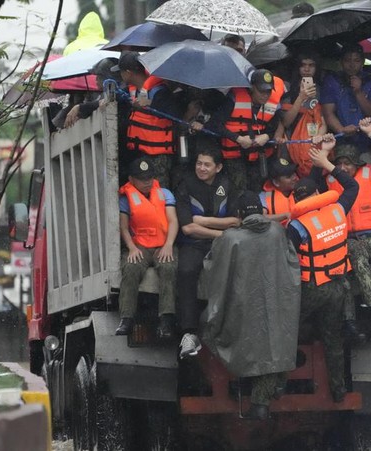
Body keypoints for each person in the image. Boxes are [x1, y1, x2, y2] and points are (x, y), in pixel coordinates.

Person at [201, 191, 301, 420]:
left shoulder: (230, 238)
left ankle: (259, 398)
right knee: (276, 344)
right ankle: (270, 391)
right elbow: (293, 263)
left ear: (238, 215)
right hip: (276, 303)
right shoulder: (278, 232)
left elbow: (212, 270)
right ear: (263, 211)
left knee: (240, 340)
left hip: (242, 308)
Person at [286, 133, 358, 402]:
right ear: (317, 194)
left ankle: (278, 385)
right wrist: (327, 163)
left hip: (312, 289)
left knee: (287, 331)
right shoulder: (338, 210)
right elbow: (351, 187)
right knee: (333, 339)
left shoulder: (296, 226)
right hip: (338, 287)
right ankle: (338, 391)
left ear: (297, 200)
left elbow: (287, 262)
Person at [318, 118, 371, 345]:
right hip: (346, 240)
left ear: (358, 164)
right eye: (340, 163)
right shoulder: (327, 180)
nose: (344, 168)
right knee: (361, 265)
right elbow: (309, 178)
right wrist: (325, 152)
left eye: (349, 164)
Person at [175, 139, 238, 358]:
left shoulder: (227, 185)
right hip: (195, 244)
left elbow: (237, 221)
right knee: (185, 271)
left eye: (207, 165)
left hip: (224, 245)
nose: (201, 168)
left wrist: (203, 220)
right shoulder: (185, 185)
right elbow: (188, 228)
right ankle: (189, 333)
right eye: (199, 163)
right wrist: (221, 233)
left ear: (218, 167)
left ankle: (233, 327)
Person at [115, 157, 179, 339]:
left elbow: (173, 220)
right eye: (142, 179)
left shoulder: (165, 193)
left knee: (168, 267)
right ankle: (126, 318)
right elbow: (123, 227)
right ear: (131, 179)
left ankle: (166, 319)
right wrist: (132, 248)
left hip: (163, 245)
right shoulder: (125, 198)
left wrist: (169, 245)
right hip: (140, 246)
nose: (147, 182)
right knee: (131, 268)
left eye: (150, 178)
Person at [203, 69, 286, 192]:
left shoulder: (273, 103)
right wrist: (238, 139)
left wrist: (267, 136)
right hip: (234, 157)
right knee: (238, 192)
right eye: (261, 91)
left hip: (258, 157)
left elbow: (275, 126)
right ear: (252, 88)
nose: (265, 95)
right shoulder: (234, 98)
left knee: (257, 190)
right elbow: (214, 124)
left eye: (268, 91)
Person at [117, 52, 182, 188]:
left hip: (158, 158)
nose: (120, 75)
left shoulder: (160, 92)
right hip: (138, 153)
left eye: (121, 72)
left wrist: (148, 105)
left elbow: (173, 114)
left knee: (159, 191)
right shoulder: (132, 91)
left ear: (128, 73)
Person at [321, 43, 371, 150]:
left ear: (363, 62)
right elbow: (328, 112)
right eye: (347, 60)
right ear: (341, 62)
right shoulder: (332, 80)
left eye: (356, 61)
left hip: (367, 139)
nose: (352, 65)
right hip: (339, 140)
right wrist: (341, 130)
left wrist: (358, 92)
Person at [278, 51, 327, 178]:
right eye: (303, 65)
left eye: (311, 65)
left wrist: (318, 136)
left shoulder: (321, 90)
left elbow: (323, 122)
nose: (307, 69)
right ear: (297, 67)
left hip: (312, 143)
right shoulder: (287, 88)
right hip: (290, 144)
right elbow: (286, 122)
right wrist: (300, 98)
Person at [259, 157, 298, 225]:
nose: (294, 178)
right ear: (276, 182)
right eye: (289, 176)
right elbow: (262, 218)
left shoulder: (303, 189)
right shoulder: (264, 196)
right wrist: (285, 215)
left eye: (294, 174)